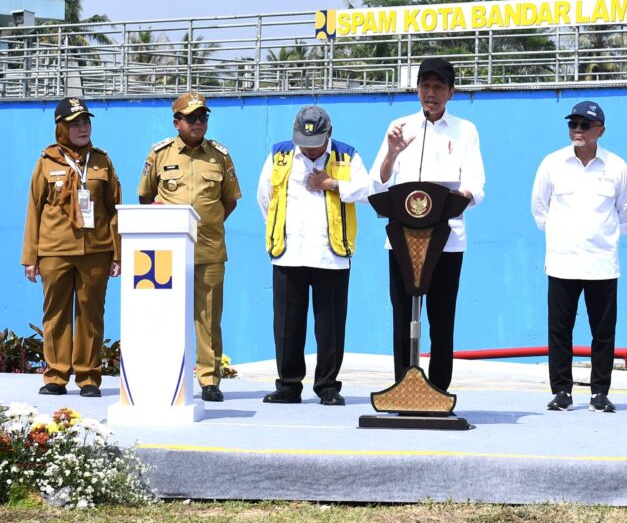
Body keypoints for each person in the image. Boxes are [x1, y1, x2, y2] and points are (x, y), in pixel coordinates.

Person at [369, 57, 485, 392]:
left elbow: (476, 185)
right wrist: (391, 153)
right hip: (403, 240)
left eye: (437, 87)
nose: (430, 93)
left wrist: (446, 202)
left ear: (451, 91)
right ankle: (402, 389)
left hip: (446, 241)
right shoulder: (399, 127)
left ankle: (438, 390)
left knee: (441, 317)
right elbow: (377, 184)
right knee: (403, 315)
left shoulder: (466, 131)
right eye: (424, 86)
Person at [256, 105, 370, 406]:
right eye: (302, 143)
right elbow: (265, 198)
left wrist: (331, 184)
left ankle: (328, 386)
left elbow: (366, 190)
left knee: (330, 326)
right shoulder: (280, 154)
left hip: (330, 252)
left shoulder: (346, 155)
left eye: (315, 143)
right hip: (288, 251)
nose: (307, 150)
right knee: (286, 325)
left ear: (329, 134)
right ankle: (288, 386)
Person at [531, 101, 627, 413]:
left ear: (600, 130)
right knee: (559, 330)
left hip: (601, 262)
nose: (577, 130)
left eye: (585, 125)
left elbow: (626, 213)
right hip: (563, 260)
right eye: (573, 124)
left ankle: (599, 393)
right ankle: (561, 391)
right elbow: (540, 209)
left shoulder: (617, 167)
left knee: (603, 332)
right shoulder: (552, 164)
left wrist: (602, 239)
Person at [138, 92, 242, 402]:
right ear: (177, 122)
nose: (199, 123)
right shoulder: (160, 154)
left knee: (208, 319)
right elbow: (145, 198)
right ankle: (164, 376)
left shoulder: (220, 156)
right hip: (166, 252)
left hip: (208, 250)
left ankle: (209, 380)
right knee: (164, 314)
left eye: (203, 117)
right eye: (192, 117)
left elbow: (230, 200)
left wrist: (207, 225)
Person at [21, 97, 121, 398]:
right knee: (56, 314)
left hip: (96, 251)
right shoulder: (45, 162)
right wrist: (31, 258)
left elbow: (114, 209)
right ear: (61, 127)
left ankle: (89, 377)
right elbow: (34, 210)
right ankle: (56, 376)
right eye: (75, 123)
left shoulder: (102, 160)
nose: (82, 128)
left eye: (86, 122)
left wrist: (118, 253)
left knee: (91, 315)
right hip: (54, 250)